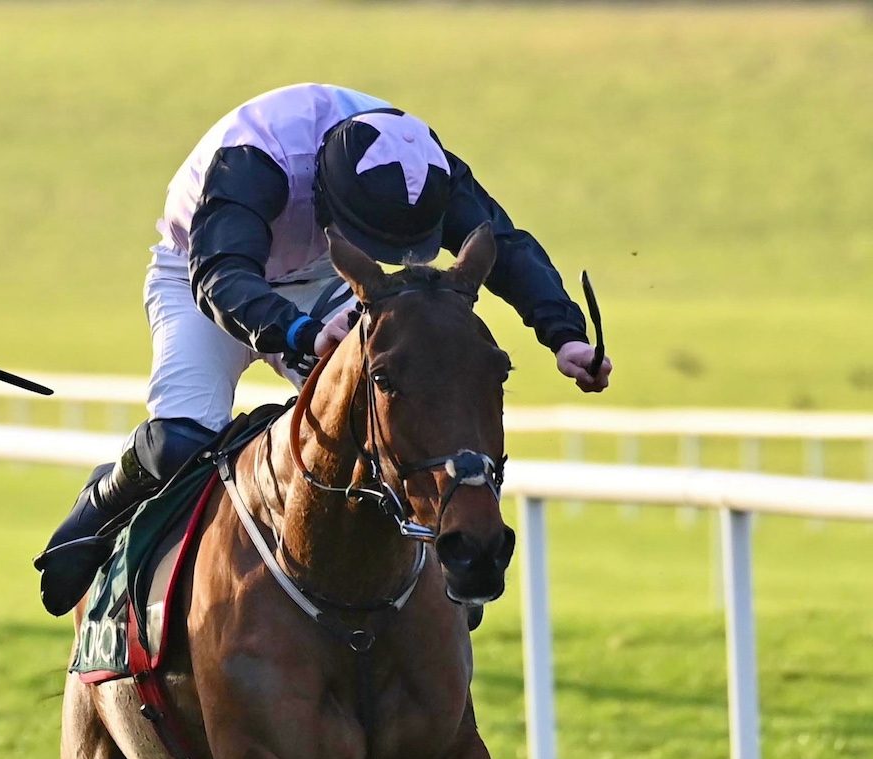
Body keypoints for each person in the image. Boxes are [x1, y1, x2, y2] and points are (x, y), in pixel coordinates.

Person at [34, 83, 613, 615]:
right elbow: (223, 275)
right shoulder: (255, 160)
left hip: (324, 275)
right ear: (329, 194)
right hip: (202, 272)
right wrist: (300, 333)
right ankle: (99, 513)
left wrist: (564, 336)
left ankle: (446, 556)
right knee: (181, 438)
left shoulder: (422, 162)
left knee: (387, 415)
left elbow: (501, 245)